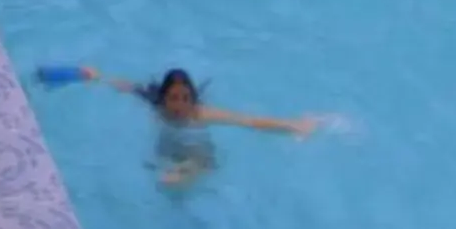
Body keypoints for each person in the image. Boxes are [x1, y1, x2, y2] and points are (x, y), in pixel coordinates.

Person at [77, 66, 317, 188]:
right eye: (173, 98)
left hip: (198, 151)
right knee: (163, 172)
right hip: (170, 145)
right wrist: (97, 76)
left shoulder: (201, 113)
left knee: (196, 166)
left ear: (192, 98)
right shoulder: (156, 106)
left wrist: (294, 125)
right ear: (163, 99)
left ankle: (186, 172)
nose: (180, 104)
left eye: (185, 97)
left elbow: (248, 121)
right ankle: (179, 174)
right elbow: (127, 87)